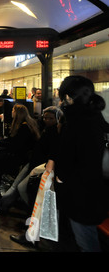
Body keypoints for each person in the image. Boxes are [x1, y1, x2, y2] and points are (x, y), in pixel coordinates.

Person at [48, 75, 109, 252]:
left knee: (86, 242)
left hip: (80, 196)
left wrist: (59, 179)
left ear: (68, 97)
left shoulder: (76, 122)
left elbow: (69, 158)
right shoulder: (96, 118)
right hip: (96, 191)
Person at [0, 106, 61, 214]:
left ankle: (23, 210)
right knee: (18, 186)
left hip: (38, 165)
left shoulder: (51, 132)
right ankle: (12, 208)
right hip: (34, 162)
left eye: (51, 118)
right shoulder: (43, 128)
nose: (47, 120)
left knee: (18, 186)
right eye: (45, 118)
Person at [0, 104, 40, 203]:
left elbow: (16, 144)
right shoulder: (28, 124)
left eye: (13, 111)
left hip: (19, 157)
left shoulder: (24, 127)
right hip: (21, 155)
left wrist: (0, 142)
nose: (11, 112)